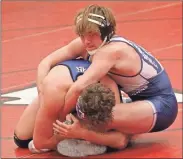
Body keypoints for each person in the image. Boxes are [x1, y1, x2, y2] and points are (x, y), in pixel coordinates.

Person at [14, 59, 129, 154]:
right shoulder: (55, 92)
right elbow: (40, 142)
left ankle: (81, 131)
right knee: (22, 140)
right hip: (56, 93)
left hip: (76, 98)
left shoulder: (110, 90)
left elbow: (121, 140)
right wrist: (65, 135)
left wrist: (82, 133)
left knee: (109, 137)